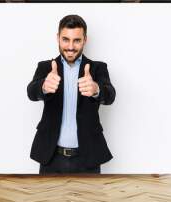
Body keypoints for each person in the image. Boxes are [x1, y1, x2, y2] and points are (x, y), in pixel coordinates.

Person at [27, 14, 116, 174]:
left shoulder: (97, 68)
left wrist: (96, 89)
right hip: (51, 157)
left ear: (85, 40)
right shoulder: (46, 67)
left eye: (77, 40)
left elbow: (110, 95)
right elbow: (31, 92)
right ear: (58, 38)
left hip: (87, 158)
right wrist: (43, 87)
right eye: (65, 39)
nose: (70, 46)